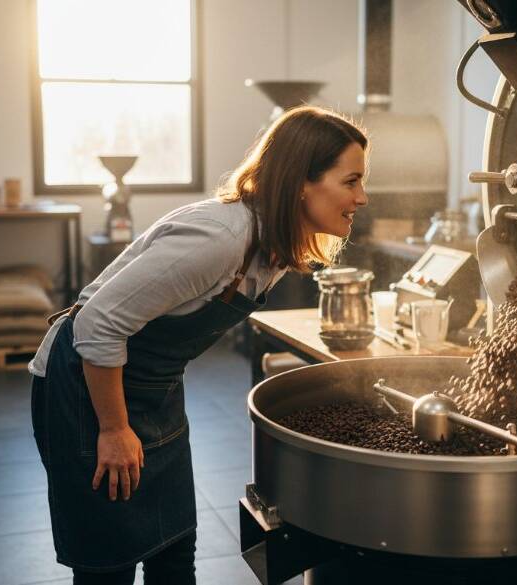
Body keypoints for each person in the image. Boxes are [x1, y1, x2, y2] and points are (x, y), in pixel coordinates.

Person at [29, 105, 369, 585]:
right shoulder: (221, 237)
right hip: (87, 389)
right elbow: (98, 326)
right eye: (351, 181)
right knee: (109, 563)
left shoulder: (273, 246)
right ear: (301, 184)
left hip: (154, 388)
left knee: (173, 550)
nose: (363, 197)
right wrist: (113, 428)